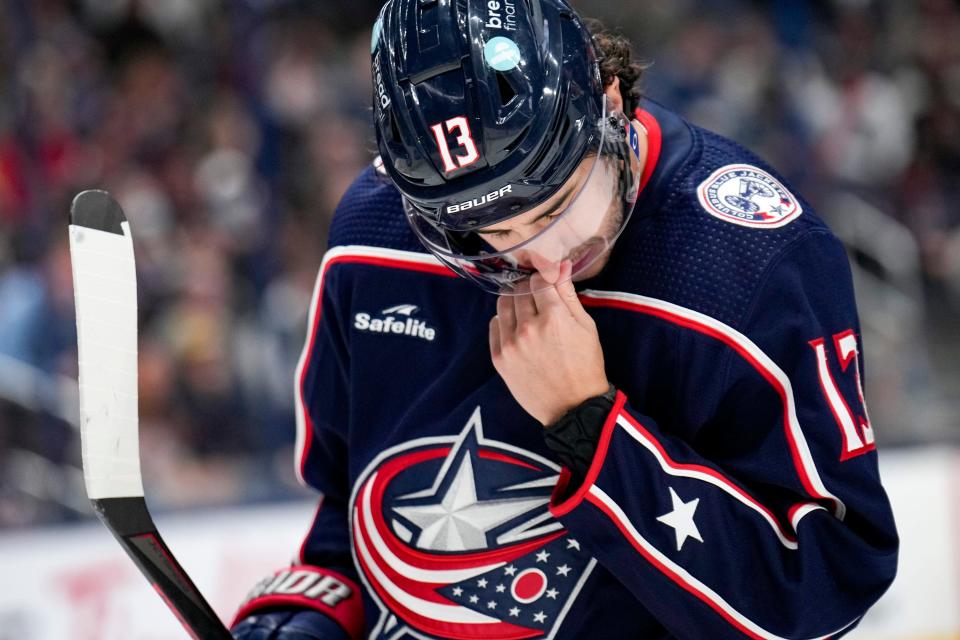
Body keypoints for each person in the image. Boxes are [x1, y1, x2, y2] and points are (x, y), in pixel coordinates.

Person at [230, 0, 899, 637]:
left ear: (608, 104)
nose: (541, 263)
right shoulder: (373, 235)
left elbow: (828, 581)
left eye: (553, 208)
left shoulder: (752, 261)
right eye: (486, 231)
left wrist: (589, 424)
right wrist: (304, 619)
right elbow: (348, 520)